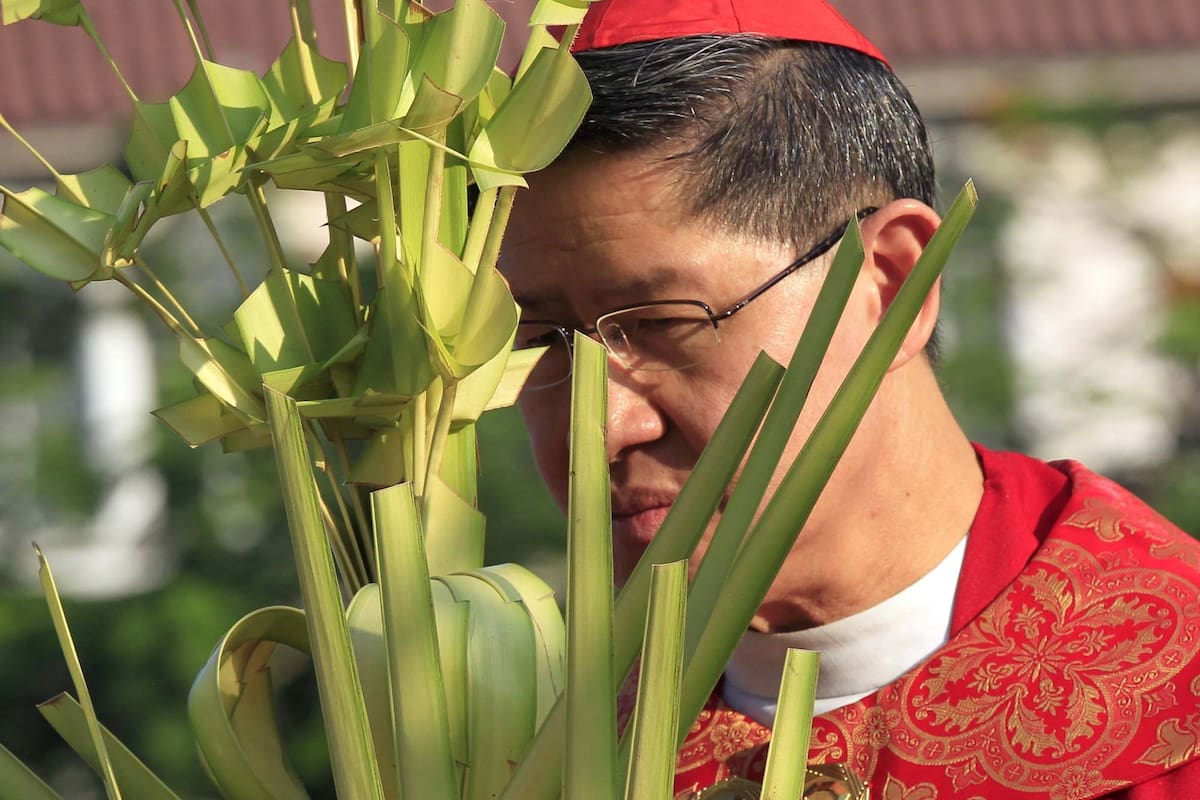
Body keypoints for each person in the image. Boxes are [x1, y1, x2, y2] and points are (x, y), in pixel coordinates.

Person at [497, 0, 1200, 797]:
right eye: (542, 338)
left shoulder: (1176, 716)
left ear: (889, 284)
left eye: (664, 323)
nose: (603, 428)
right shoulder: (518, 746)